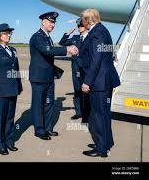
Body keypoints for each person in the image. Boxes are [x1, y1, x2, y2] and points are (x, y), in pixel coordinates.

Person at [29, 12, 79, 140]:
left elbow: (50, 50)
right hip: (39, 78)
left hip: (49, 77)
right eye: (50, 22)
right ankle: (39, 130)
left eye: (54, 23)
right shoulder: (37, 37)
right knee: (39, 104)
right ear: (43, 22)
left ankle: (48, 128)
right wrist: (67, 49)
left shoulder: (47, 37)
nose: (52, 25)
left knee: (49, 103)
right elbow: (48, 51)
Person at [80, 9, 120, 157]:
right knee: (103, 114)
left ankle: (101, 148)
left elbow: (95, 61)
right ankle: (106, 142)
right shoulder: (102, 30)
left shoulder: (97, 33)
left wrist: (87, 82)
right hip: (104, 80)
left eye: (83, 19)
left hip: (99, 82)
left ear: (88, 20)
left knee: (98, 115)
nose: (82, 22)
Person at [0, 23, 23, 155]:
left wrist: (18, 85)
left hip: (12, 90)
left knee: (10, 118)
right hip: (1, 92)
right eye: (6, 33)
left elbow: (16, 70)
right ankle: (0, 143)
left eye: (9, 33)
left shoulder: (13, 50)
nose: (9, 35)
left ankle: (9, 141)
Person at [59, 18, 90, 123]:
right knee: (77, 91)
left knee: (86, 92)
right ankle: (78, 112)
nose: (79, 28)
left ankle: (87, 114)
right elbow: (62, 43)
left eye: (81, 26)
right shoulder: (75, 38)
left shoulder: (91, 38)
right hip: (76, 69)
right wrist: (67, 33)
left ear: (86, 26)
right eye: (78, 26)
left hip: (86, 70)